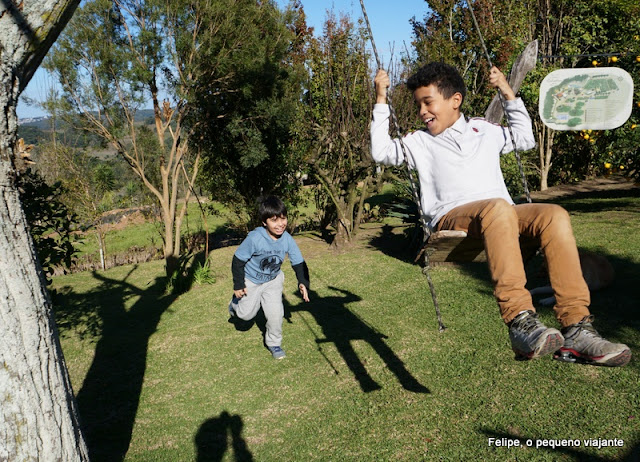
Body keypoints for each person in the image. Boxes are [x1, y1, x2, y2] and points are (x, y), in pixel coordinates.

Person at [370, 62, 631, 367]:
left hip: (500, 217)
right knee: (498, 207)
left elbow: (525, 139)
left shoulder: (485, 130)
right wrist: (380, 98)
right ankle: (520, 320)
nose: (422, 112)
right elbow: (380, 152)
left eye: (428, 102)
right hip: (451, 217)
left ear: (455, 100)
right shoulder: (418, 142)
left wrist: (507, 91)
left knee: (554, 214)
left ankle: (576, 327)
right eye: (418, 105)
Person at [229, 195, 310, 359]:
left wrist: (303, 282)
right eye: (274, 220)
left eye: (283, 218)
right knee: (245, 315)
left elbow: (298, 261)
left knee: (275, 314)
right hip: (250, 281)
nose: (280, 224)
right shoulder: (255, 238)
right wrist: (238, 285)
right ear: (264, 222)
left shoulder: (287, 238)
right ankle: (234, 304)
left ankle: (274, 344)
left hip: (273, 281)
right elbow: (238, 260)